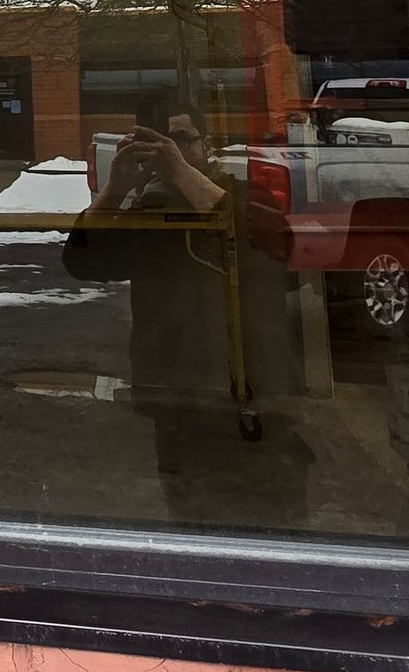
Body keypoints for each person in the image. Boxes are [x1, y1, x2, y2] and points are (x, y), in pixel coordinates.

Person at [62, 108, 273, 521]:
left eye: (181, 140)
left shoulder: (238, 191)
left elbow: (267, 254)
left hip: (249, 386)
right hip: (172, 384)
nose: (167, 151)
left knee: (261, 512)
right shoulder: (150, 211)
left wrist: (183, 175)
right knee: (188, 508)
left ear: (208, 147)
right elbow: (81, 262)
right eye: (155, 143)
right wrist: (116, 190)